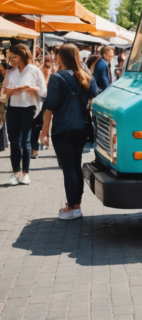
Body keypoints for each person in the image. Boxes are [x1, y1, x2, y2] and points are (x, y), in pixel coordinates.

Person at [40, 44, 98, 220]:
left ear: (63, 57)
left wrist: (44, 131)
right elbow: (93, 99)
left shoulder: (57, 78)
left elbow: (49, 107)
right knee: (76, 165)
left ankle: (72, 209)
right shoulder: (87, 76)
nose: (55, 58)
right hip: (80, 127)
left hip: (62, 129)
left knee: (69, 168)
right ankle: (76, 205)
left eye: (57, 55)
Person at [2, 44, 46, 185]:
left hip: (29, 108)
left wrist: (33, 88)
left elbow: (44, 91)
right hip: (13, 109)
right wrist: (8, 92)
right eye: (10, 57)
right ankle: (15, 173)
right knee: (14, 142)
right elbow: (3, 94)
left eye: (14, 57)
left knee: (25, 141)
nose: (11, 60)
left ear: (22, 57)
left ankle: (25, 173)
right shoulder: (10, 72)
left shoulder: (34, 70)